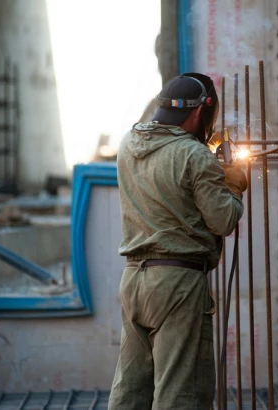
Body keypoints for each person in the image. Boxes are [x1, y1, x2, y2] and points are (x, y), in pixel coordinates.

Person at [108, 74, 247, 409]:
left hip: (134, 281)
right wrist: (232, 184)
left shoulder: (128, 144)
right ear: (200, 113)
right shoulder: (194, 155)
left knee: (131, 389)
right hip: (177, 284)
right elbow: (223, 219)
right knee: (180, 392)